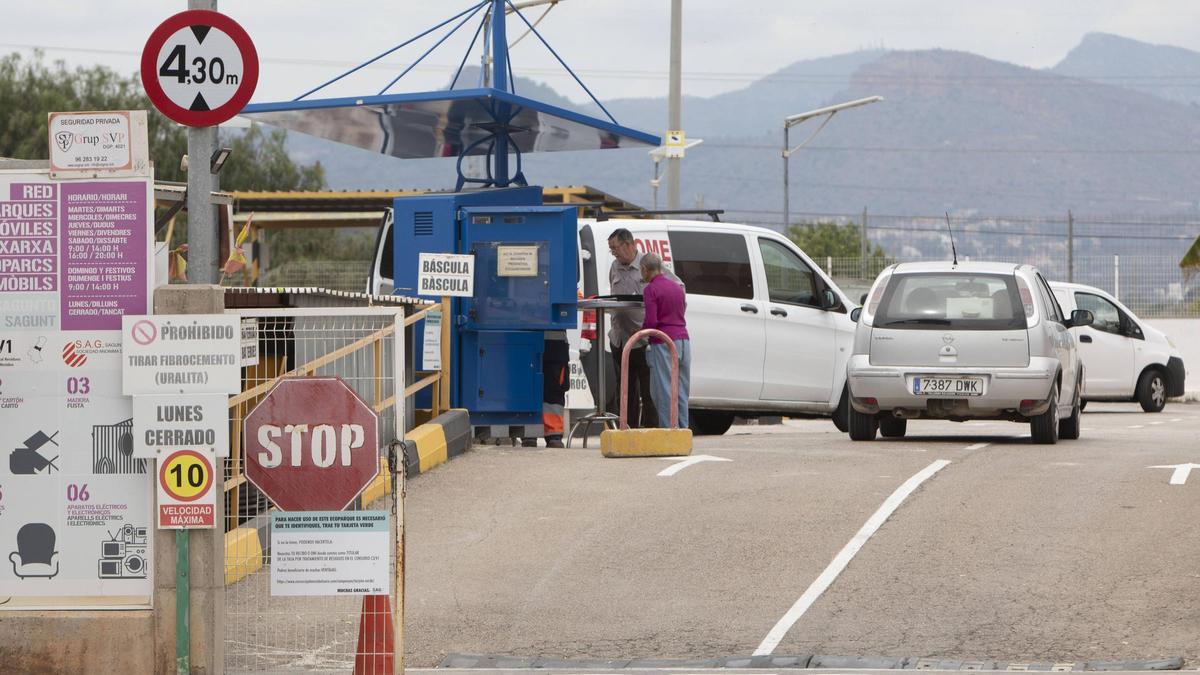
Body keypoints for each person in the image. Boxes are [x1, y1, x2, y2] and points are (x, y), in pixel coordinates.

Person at [607, 228, 657, 428]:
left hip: (643, 340)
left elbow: (676, 287)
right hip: (620, 339)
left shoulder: (649, 263)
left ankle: (652, 431)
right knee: (625, 391)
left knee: (648, 390)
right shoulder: (614, 266)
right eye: (611, 249)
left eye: (615, 248)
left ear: (629, 244)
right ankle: (628, 430)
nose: (614, 253)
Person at [640, 253, 690, 429]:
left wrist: (639, 333)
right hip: (683, 340)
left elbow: (651, 321)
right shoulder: (676, 287)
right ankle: (683, 429)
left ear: (644, 269)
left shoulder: (650, 289)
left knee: (664, 390)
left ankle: (669, 430)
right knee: (681, 389)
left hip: (663, 342)